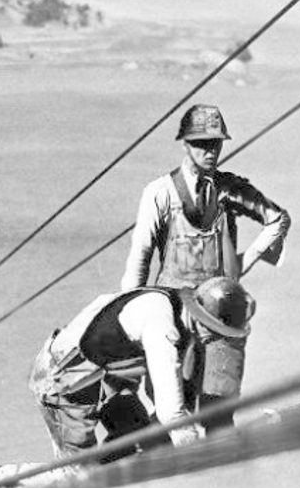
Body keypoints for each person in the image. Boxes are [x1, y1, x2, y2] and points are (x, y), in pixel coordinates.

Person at [120, 104, 289, 417]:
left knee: (219, 410)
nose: (210, 151)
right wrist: (130, 321)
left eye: (215, 144)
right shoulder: (160, 194)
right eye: (201, 144)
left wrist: (243, 263)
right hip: (170, 314)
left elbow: (277, 219)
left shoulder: (229, 191)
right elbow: (139, 259)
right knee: (171, 411)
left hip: (219, 317)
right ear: (185, 144)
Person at [28, 276, 255, 461]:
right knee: (80, 480)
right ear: (202, 321)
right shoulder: (162, 327)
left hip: (103, 379)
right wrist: (198, 459)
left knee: (136, 440)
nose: (215, 342)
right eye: (215, 334)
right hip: (64, 382)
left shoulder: (177, 305)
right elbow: (171, 413)